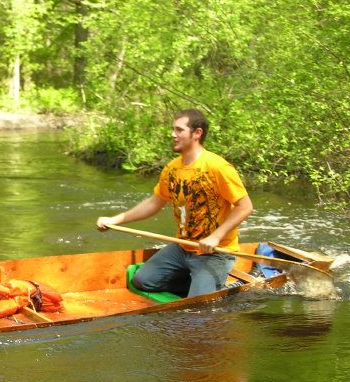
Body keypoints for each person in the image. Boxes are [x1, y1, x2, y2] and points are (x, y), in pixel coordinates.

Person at [96, 109, 253, 297]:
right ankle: (198, 282)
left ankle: (210, 285)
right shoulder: (172, 168)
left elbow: (245, 206)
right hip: (182, 246)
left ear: (197, 133)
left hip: (215, 251)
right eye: (173, 129)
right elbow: (155, 202)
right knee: (142, 281)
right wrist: (116, 220)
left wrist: (216, 237)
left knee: (199, 305)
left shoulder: (217, 167)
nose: (173, 134)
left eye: (179, 130)